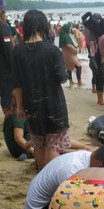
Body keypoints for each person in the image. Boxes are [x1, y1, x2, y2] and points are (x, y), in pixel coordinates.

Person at [12, 9, 70, 170]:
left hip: (32, 107)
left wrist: (20, 108)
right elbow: (63, 78)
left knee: (39, 145)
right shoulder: (52, 50)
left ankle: (41, 180)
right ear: (43, 26)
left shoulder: (17, 51)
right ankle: (50, 184)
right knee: (53, 146)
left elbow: (17, 84)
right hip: (54, 108)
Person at [59, 23, 83, 88]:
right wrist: (75, 50)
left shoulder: (62, 35)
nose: (70, 30)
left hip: (65, 54)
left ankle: (71, 82)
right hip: (70, 54)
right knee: (79, 66)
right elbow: (68, 45)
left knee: (69, 68)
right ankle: (79, 82)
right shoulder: (66, 36)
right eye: (69, 29)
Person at [0, 8, 14, 117]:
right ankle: (10, 126)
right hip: (5, 71)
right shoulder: (3, 27)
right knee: (8, 99)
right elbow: (8, 49)